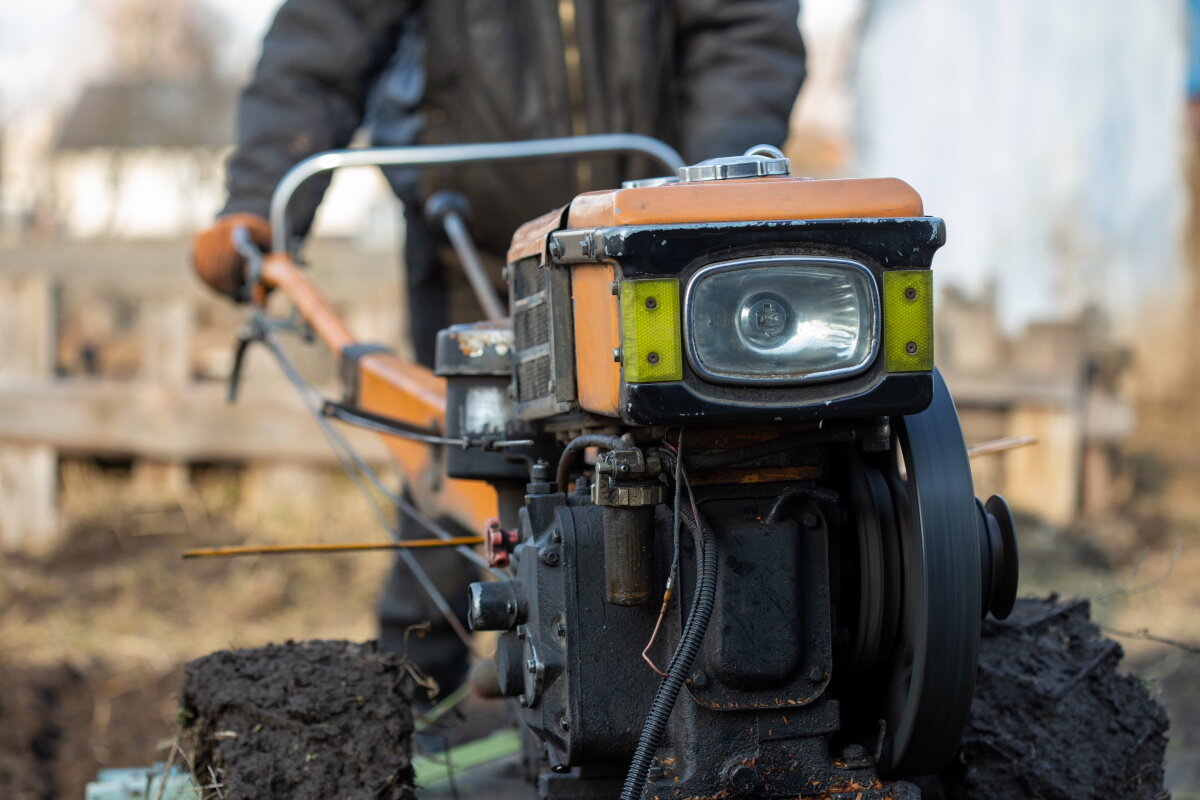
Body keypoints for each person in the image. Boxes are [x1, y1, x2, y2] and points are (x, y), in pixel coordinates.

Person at [192, 0, 806, 696]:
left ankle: (704, 680)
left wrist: (711, 197)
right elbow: (324, 36)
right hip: (469, 240)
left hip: (651, 242)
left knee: (692, 465)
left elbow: (744, 29)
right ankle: (415, 695)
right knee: (461, 466)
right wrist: (260, 196)